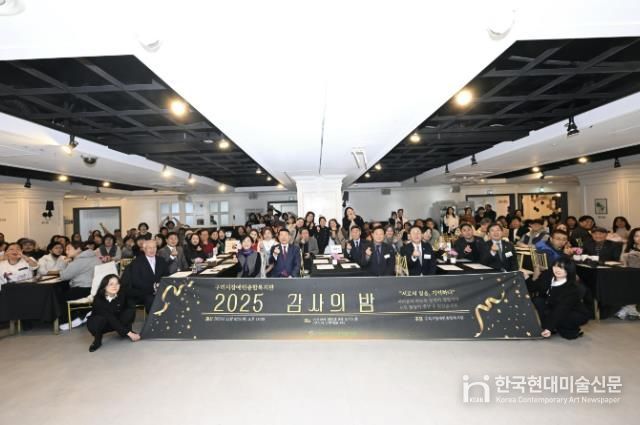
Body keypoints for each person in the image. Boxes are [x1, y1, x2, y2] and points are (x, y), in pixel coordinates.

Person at [529, 258, 589, 340]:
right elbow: (534, 286)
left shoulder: (572, 288)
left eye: (562, 268)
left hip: (574, 312)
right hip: (555, 306)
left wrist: (549, 328)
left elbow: (561, 309)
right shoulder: (548, 275)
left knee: (569, 335)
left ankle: (566, 329)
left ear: (569, 270)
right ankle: (552, 326)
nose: (557, 270)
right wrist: (526, 278)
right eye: (555, 266)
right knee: (538, 300)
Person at [87, 274, 140, 352]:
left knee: (130, 310)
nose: (114, 286)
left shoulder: (122, 294)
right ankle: (97, 339)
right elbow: (109, 317)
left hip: (116, 320)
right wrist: (130, 334)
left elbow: (135, 296)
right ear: (104, 286)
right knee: (99, 320)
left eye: (117, 283)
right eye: (111, 284)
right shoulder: (98, 299)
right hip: (102, 323)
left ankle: (125, 331)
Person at [59, 241, 103, 329]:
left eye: (68, 249)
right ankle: (85, 312)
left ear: (78, 249)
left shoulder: (78, 261)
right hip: (95, 289)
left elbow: (63, 276)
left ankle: (72, 320)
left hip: (83, 289)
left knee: (59, 297)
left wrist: (64, 263)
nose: (66, 252)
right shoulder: (94, 257)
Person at [122, 240, 169, 313]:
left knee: (172, 297)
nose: (152, 250)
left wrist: (160, 287)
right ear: (144, 249)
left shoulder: (161, 261)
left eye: (154, 247)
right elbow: (136, 281)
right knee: (152, 300)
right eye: (149, 248)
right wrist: (153, 288)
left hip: (160, 290)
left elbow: (166, 276)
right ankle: (154, 319)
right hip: (143, 292)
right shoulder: (136, 262)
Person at [616, 228, 640, 320]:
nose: (639, 238)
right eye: (636, 236)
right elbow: (622, 261)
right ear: (632, 237)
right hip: (630, 273)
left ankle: (629, 309)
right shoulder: (627, 247)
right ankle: (630, 308)